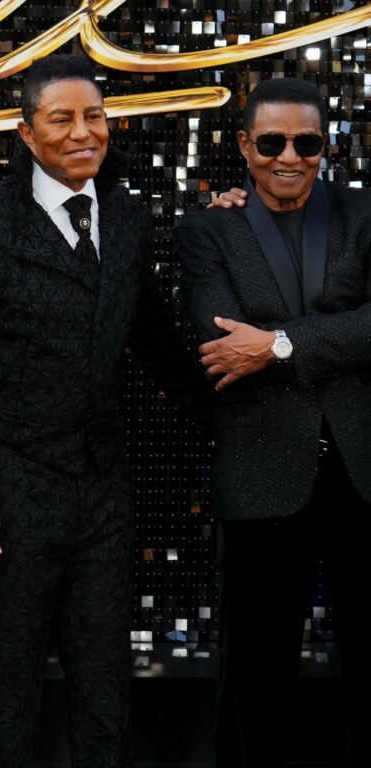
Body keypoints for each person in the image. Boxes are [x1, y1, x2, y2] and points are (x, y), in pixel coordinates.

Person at [0, 55, 209, 767]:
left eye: (95, 117)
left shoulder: (128, 215)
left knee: (105, 682)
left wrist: (229, 403)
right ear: (27, 133)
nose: (83, 133)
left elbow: (150, 335)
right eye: (62, 119)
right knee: (8, 687)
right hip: (10, 496)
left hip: (102, 492)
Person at [178, 77, 371, 767]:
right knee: (255, 673)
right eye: (272, 142)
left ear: (326, 147)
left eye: (307, 142)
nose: (290, 156)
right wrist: (339, 337)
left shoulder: (363, 212)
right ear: (243, 145)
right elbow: (218, 341)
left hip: (362, 468)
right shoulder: (207, 228)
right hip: (260, 473)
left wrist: (280, 344)